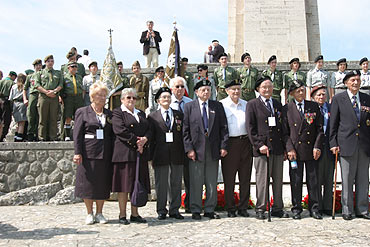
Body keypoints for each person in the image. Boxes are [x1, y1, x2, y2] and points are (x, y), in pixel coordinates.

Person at [183, 79, 229, 220]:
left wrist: (223, 146)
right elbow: (185, 130)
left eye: (208, 90)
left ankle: (209, 209)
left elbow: (224, 128)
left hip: (212, 149)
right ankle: (196, 209)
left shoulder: (217, 106)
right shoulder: (189, 107)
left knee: (211, 180)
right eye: (203, 90)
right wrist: (189, 149)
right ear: (196, 92)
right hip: (196, 150)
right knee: (196, 180)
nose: (206, 92)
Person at [246, 77, 288, 219]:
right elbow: (250, 128)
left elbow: (282, 127)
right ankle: (261, 208)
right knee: (262, 180)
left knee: (278, 180)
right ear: (258, 89)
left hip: (276, 147)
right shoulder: (252, 104)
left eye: (270, 87)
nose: (267, 90)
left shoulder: (277, 103)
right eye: (264, 87)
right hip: (262, 149)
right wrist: (259, 145)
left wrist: (284, 148)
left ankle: (277, 207)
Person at [330, 70, 370, 220]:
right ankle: (347, 210)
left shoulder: (366, 98)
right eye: (352, 80)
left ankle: (362, 209)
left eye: (358, 80)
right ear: (346, 82)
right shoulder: (338, 99)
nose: (356, 82)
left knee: (363, 179)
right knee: (347, 178)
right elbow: (333, 124)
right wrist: (333, 143)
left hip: (364, 145)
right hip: (346, 144)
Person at [282, 80, 323, 220]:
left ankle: (314, 208)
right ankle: (296, 208)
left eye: (303, 89)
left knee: (313, 180)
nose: (301, 92)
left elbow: (319, 129)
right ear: (292, 93)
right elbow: (285, 132)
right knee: (296, 180)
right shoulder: (286, 108)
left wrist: (317, 146)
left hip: (310, 149)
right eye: (298, 90)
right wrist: (289, 149)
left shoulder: (313, 106)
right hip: (295, 151)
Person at [73, 82, 113, 225]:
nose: (102, 98)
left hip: (105, 153)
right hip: (88, 153)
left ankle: (100, 212)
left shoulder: (109, 114)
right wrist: (77, 153)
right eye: (99, 95)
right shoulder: (82, 112)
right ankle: (89, 213)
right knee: (88, 184)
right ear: (92, 97)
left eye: (104, 95)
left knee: (102, 183)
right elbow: (77, 134)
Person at [112, 88, 151, 225]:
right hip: (124, 154)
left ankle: (135, 213)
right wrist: (136, 141)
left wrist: (145, 139)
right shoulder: (117, 113)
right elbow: (120, 130)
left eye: (134, 98)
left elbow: (149, 129)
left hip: (139, 154)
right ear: (122, 99)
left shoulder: (140, 113)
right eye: (128, 97)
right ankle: (122, 214)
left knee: (137, 183)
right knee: (124, 186)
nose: (131, 100)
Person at [148, 87, 185, 220]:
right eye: (164, 97)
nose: (166, 99)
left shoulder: (178, 114)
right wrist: (150, 157)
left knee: (176, 182)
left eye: (169, 97)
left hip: (176, 153)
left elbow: (183, 134)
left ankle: (174, 209)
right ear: (158, 100)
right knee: (161, 183)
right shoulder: (152, 117)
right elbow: (150, 138)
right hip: (160, 153)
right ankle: (161, 210)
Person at [220, 79, 252, 218]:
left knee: (245, 177)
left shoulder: (246, 104)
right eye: (233, 89)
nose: (236, 92)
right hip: (230, 144)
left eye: (238, 89)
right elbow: (220, 127)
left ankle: (243, 206)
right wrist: (222, 145)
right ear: (227, 91)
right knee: (229, 178)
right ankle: (230, 207)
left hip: (245, 143)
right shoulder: (222, 105)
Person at [169, 76, 192, 212]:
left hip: (188, 145)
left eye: (182, 86)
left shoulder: (190, 103)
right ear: (172, 88)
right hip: (173, 146)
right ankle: (172, 205)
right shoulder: (166, 102)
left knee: (190, 177)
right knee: (173, 179)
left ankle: (189, 204)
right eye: (177, 86)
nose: (179, 89)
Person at [310, 85, 334, 216]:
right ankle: (317, 206)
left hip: (329, 146)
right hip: (315, 147)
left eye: (324, 94)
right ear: (313, 97)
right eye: (318, 95)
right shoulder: (311, 109)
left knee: (329, 177)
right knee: (317, 179)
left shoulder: (331, 108)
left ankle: (328, 206)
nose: (321, 97)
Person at [35, 55, 63, 141]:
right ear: (45, 62)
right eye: (48, 61)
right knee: (42, 118)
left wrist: (54, 91)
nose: (50, 63)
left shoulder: (58, 73)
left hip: (54, 97)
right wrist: (46, 92)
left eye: (52, 61)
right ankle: (41, 137)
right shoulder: (40, 73)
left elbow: (61, 85)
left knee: (53, 118)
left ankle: (53, 136)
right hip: (43, 97)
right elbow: (37, 85)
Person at [61, 61, 84, 141]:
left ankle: (78, 134)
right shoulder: (65, 77)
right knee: (68, 117)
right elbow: (62, 89)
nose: (74, 68)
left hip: (78, 97)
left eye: (75, 67)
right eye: (72, 67)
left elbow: (82, 88)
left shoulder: (79, 77)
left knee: (79, 117)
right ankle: (67, 135)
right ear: (68, 68)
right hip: (69, 98)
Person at [23, 59, 42, 141]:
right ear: (34, 67)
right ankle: (30, 134)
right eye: (37, 65)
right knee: (31, 115)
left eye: (40, 65)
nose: (39, 67)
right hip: (33, 95)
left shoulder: (43, 75)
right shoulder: (30, 76)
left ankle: (38, 134)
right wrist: (25, 99)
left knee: (40, 115)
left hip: (41, 95)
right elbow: (25, 89)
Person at [9, 73, 27, 141]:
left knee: (17, 122)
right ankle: (19, 138)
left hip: (15, 104)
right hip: (22, 104)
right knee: (22, 123)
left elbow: (11, 97)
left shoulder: (14, 86)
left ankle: (16, 136)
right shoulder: (25, 86)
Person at [0, 71, 17, 141]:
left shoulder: (1, 81)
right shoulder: (12, 83)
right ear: (12, 76)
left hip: (0, 100)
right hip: (7, 102)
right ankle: (2, 136)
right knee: (6, 120)